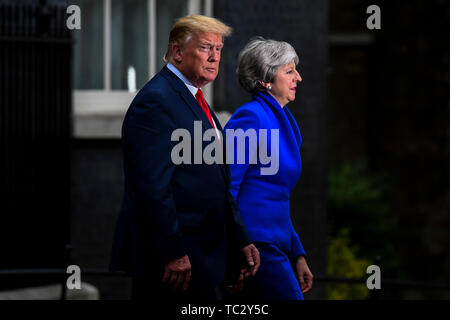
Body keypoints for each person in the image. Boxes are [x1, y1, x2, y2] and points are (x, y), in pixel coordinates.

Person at [109, 15, 260, 302]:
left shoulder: (194, 99)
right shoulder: (156, 101)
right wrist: (172, 251)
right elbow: (153, 187)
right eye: (205, 48)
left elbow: (217, 178)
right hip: (174, 264)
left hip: (201, 256)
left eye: (218, 49)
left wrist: (240, 238)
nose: (215, 57)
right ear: (178, 52)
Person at [224, 37, 313, 300]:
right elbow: (228, 188)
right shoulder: (250, 117)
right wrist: (236, 247)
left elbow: (278, 196)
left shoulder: (283, 119)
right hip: (255, 247)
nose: (298, 77)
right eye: (289, 71)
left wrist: (297, 253)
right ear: (265, 81)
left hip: (276, 244)